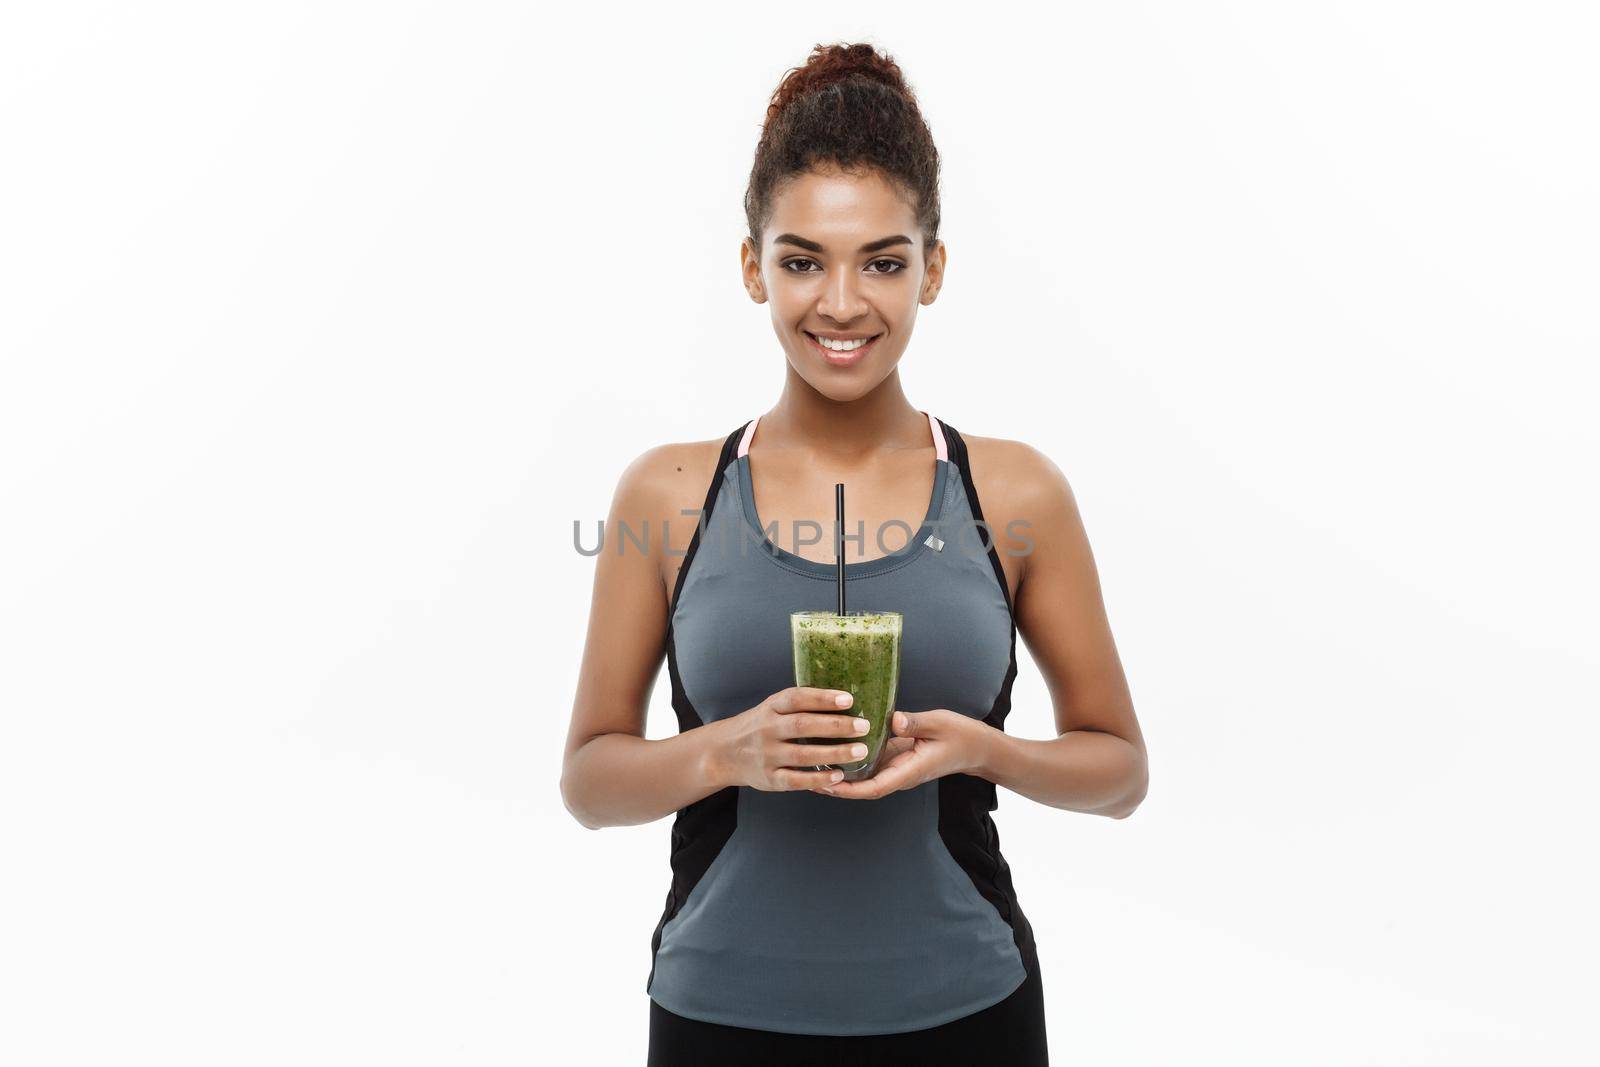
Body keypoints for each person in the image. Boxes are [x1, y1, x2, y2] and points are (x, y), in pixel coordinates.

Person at [561, 41, 1148, 1067]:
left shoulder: (1012, 493)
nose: (841, 303)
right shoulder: (669, 494)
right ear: (753, 268)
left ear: (933, 268)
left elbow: (1119, 770)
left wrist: (982, 748)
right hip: (719, 1014)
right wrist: (725, 752)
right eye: (802, 260)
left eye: (882, 259)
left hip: (967, 1009)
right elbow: (588, 779)